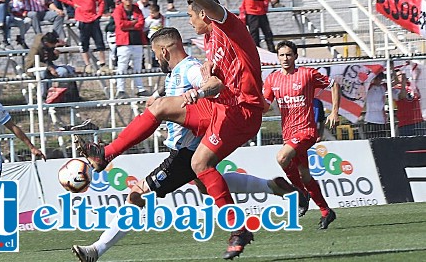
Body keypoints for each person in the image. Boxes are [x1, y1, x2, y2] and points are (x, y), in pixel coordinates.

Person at [79, 0, 269, 259]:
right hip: (220, 110)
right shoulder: (209, 41)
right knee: (170, 122)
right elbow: (218, 78)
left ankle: (239, 226)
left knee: (199, 164)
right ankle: (107, 155)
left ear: (205, 13)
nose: (191, 21)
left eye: (192, 15)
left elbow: (217, 81)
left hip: (241, 111)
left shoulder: (229, 28)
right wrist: (207, 78)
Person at [72, 27, 296, 262]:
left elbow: (213, 84)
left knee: (137, 193)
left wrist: (198, 92)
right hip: (187, 148)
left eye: (156, 53)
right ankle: (272, 187)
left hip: (185, 154)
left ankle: (96, 250)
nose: (156, 58)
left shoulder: (189, 69)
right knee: (204, 184)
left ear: (164, 51)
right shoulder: (175, 74)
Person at [262, 40, 340, 230]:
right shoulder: (272, 79)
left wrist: (334, 111)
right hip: (288, 133)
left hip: (306, 131)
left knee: (281, 158)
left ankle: (300, 194)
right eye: (281, 55)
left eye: (289, 54)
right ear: (277, 57)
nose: (285, 58)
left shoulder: (307, 74)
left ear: (295, 56)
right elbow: (265, 107)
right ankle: (326, 211)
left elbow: (334, 84)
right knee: (305, 175)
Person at [56, 0, 108, 74]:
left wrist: (99, 13)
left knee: (99, 42)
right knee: (84, 43)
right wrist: (72, 4)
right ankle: (88, 65)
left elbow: (101, 1)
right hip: (81, 19)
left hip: (93, 18)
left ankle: (103, 64)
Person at [112, 0, 148, 98]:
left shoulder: (136, 8)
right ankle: (121, 90)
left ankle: (140, 88)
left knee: (138, 67)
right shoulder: (118, 10)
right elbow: (120, 24)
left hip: (136, 41)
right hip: (124, 43)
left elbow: (141, 23)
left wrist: (130, 25)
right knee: (122, 67)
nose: (128, 0)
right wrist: (133, 23)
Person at [24, 32, 75, 99]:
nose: (54, 45)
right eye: (53, 44)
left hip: (49, 66)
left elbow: (50, 58)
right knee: (42, 74)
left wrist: (55, 55)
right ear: (47, 43)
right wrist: (50, 68)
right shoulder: (36, 48)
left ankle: (61, 96)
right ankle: (42, 96)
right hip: (34, 68)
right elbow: (34, 62)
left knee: (63, 71)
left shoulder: (49, 45)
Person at [393, 69, 426, 136]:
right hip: (405, 123)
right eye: (399, 75)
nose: (402, 76)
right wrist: (403, 83)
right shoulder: (394, 89)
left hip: (418, 121)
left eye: (403, 74)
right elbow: (402, 96)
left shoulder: (412, 85)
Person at [363, 72, 388, 138]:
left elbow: (395, 82)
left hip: (381, 120)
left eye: (381, 79)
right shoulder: (369, 86)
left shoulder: (383, 87)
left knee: (382, 140)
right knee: (372, 140)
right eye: (377, 78)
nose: (379, 80)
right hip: (371, 120)